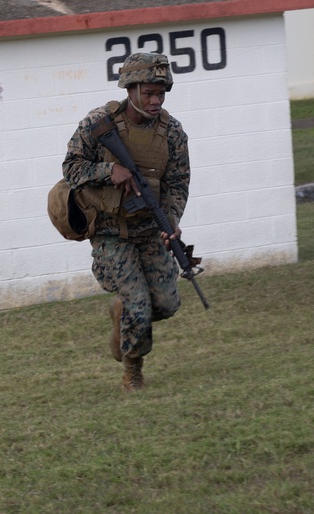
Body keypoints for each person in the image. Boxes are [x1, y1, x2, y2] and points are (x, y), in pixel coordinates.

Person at [62, 52, 190, 391]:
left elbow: (178, 184)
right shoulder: (99, 123)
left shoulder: (172, 133)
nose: (155, 100)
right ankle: (133, 370)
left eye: (161, 93)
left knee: (166, 303)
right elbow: (71, 168)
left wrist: (172, 221)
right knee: (139, 303)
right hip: (110, 231)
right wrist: (109, 171)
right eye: (148, 93)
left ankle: (122, 314)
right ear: (130, 88)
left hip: (151, 230)